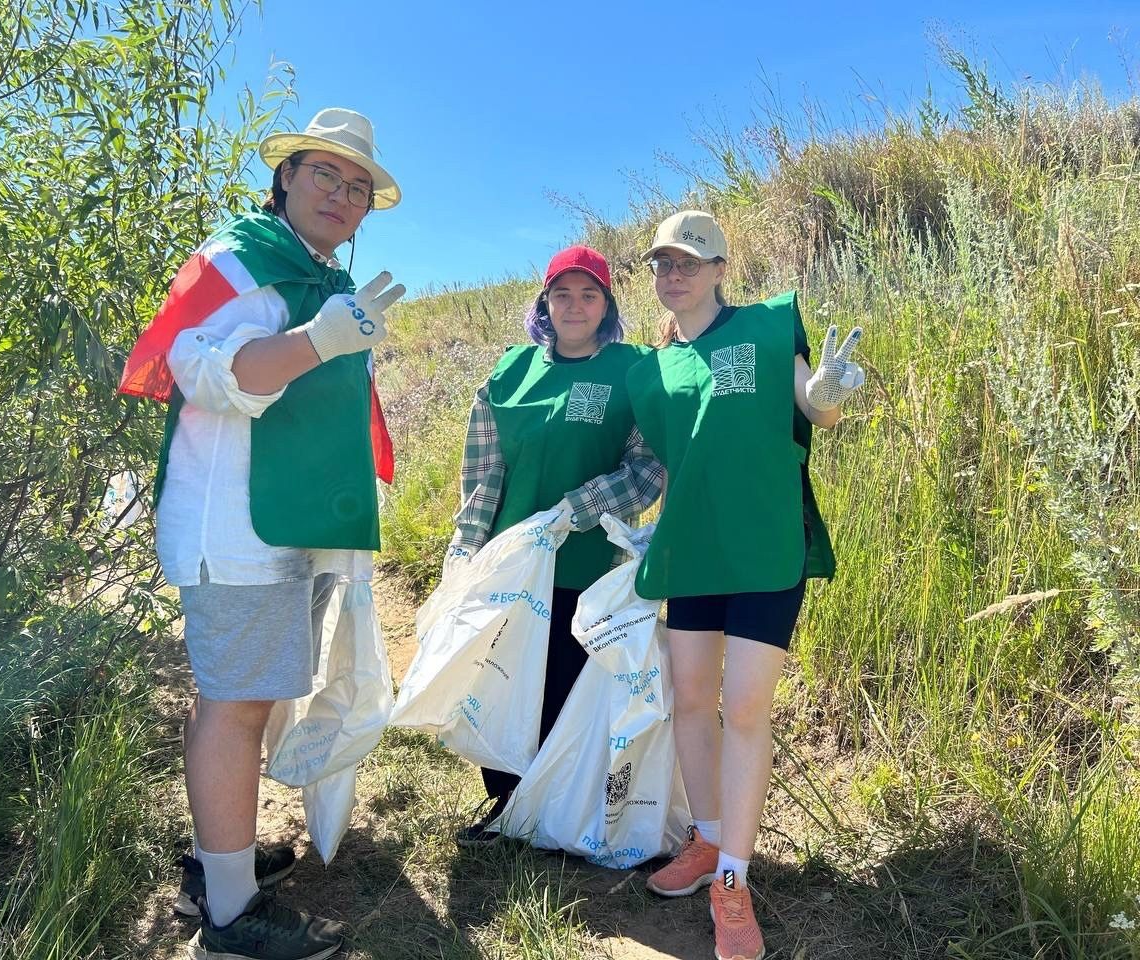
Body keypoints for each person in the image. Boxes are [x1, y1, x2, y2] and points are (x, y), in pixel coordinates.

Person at [118, 107, 406, 960]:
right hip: (239, 526)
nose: (342, 194)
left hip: (292, 523)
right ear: (286, 177)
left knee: (237, 700)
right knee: (238, 708)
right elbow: (201, 372)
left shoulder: (318, 278)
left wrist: (328, 332)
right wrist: (315, 341)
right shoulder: (239, 260)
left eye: (357, 186)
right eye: (327, 174)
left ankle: (219, 864)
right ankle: (233, 917)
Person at [625, 211, 865, 960]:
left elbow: (812, 406)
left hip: (765, 549)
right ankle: (705, 839)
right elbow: (657, 463)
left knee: (745, 707)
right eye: (664, 261)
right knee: (692, 702)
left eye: (692, 260)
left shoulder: (766, 327)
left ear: (722, 267)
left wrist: (828, 391)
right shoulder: (649, 369)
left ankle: (734, 878)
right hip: (692, 553)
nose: (676, 272)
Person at [443, 245, 664, 845]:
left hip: (588, 568)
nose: (575, 305)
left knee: (569, 691)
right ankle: (508, 805)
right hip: (511, 564)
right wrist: (465, 547)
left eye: (589, 294)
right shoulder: (509, 373)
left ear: (608, 303)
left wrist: (581, 508)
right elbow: (483, 473)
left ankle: (565, 808)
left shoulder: (633, 369)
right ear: (544, 302)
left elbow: (649, 467)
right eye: (562, 294)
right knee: (502, 687)